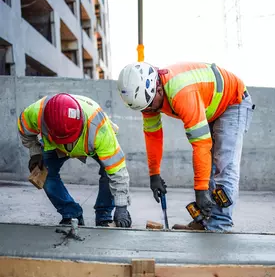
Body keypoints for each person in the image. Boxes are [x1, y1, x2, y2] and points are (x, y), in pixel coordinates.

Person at [117, 61, 254, 231]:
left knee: (224, 164)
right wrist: (154, 174)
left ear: (158, 89)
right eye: (144, 108)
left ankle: (219, 225)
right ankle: (205, 222)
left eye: (150, 105)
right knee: (208, 169)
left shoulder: (181, 93)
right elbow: (153, 136)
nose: (149, 111)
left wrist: (201, 190)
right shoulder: (148, 101)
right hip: (210, 106)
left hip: (233, 102)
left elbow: (201, 144)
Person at [18, 93, 132, 228]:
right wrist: (35, 152)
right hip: (53, 143)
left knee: (109, 172)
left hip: (89, 141)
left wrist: (121, 207)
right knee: (47, 175)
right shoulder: (35, 113)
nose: (68, 143)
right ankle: (71, 214)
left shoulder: (99, 130)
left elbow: (117, 171)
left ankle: (104, 216)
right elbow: (24, 130)